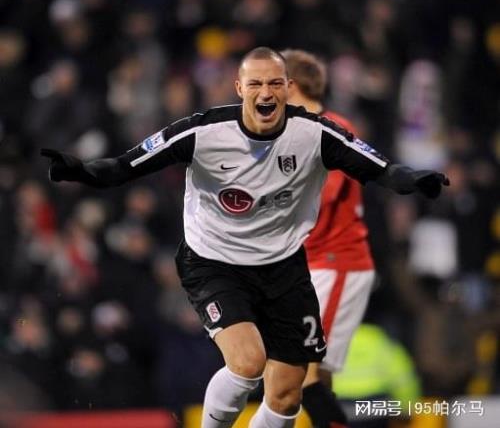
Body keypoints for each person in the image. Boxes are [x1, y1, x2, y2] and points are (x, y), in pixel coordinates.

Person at [41, 47, 449, 428]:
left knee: (287, 395)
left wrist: (416, 180)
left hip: (284, 267)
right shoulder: (202, 132)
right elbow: (125, 166)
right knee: (248, 363)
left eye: (274, 83)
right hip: (214, 264)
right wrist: (82, 171)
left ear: (288, 88)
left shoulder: (315, 135)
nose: (265, 93)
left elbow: (380, 169)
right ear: (239, 88)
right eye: (255, 84)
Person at [282, 48, 376, 428]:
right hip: (314, 265)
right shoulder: (295, 132)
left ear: (290, 85)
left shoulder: (333, 128)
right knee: (312, 376)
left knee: (302, 375)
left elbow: (323, 198)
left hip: (337, 263)